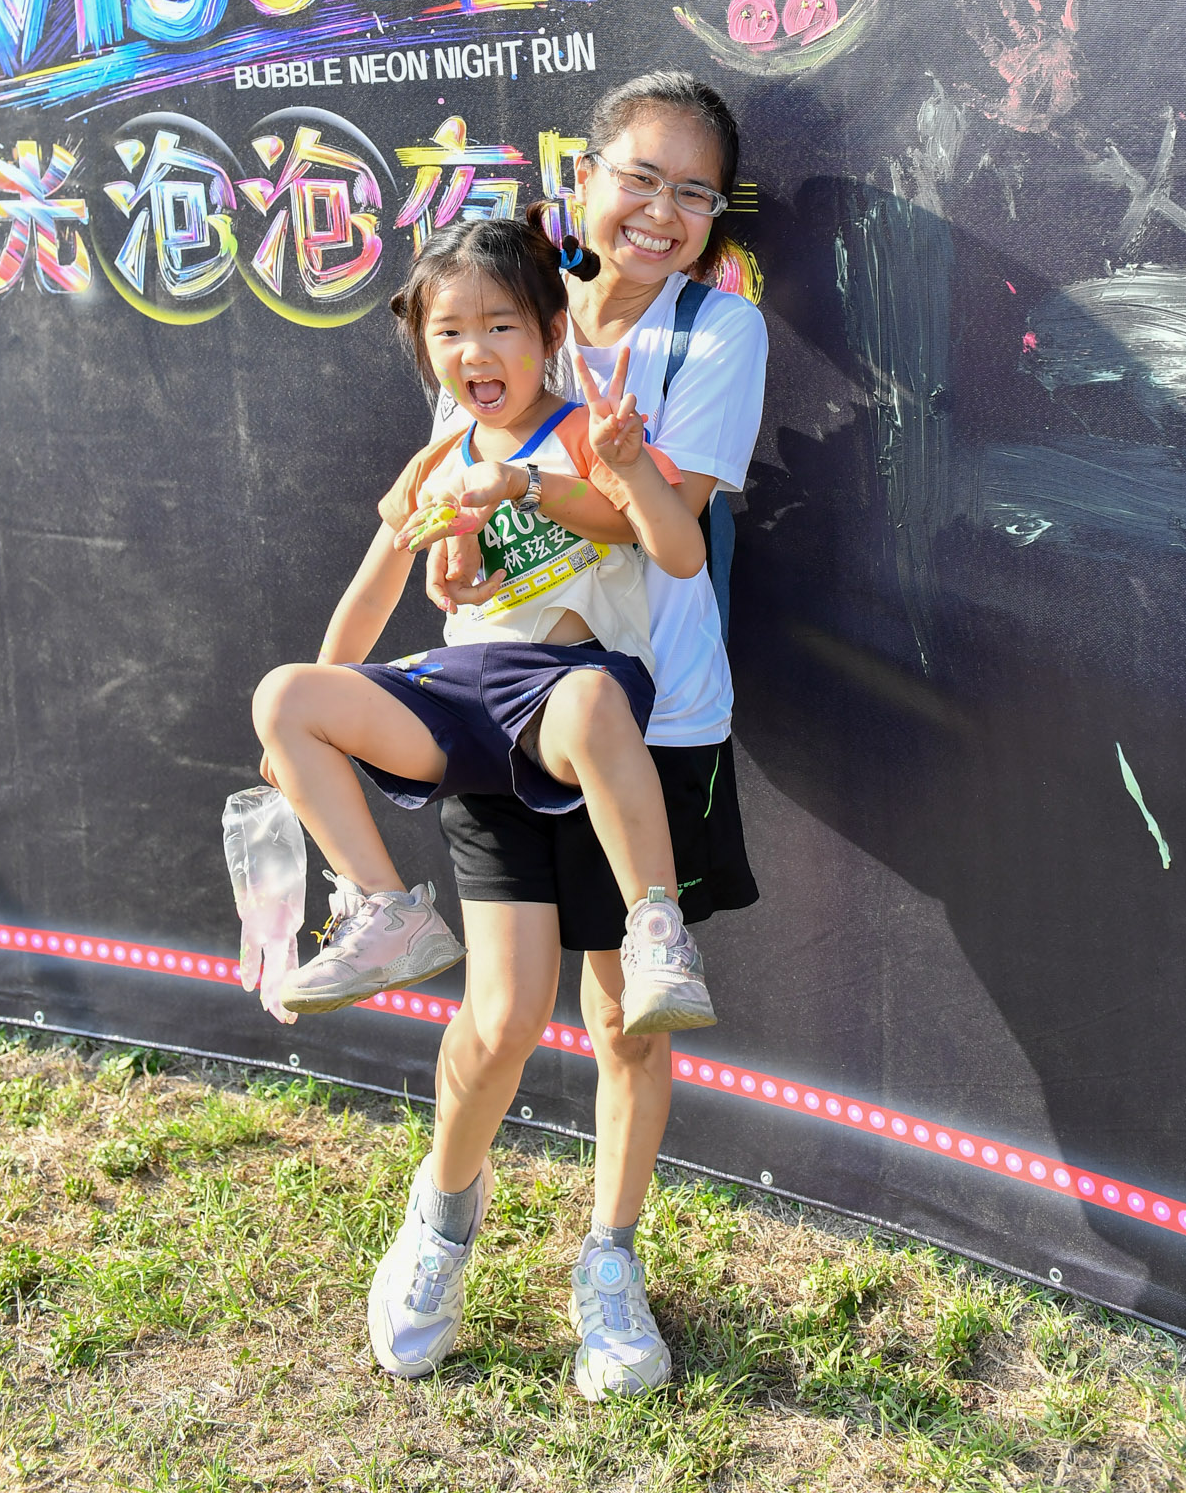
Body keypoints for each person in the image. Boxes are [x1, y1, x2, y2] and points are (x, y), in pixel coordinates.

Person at [397, 70, 767, 1403]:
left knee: (625, 1014)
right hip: (504, 704)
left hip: (657, 718)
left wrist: (555, 474)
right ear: (582, 182)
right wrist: (456, 550)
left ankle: (609, 1261)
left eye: (694, 192)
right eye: (639, 177)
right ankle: (441, 1222)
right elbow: (455, 519)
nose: (662, 211)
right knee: (498, 1018)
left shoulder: (716, 332)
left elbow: (665, 529)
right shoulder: (501, 304)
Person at [251, 214, 720, 1048]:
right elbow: (371, 594)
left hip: (571, 689)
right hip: (464, 697)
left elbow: (680, 555)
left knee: (588, 701)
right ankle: (388, 915)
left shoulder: (587, 434)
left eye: (500, 326)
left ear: (549, 334)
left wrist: (612, 467)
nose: (475, 351)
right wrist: (298, 733)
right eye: (449, 332)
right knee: (285, 695)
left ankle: (655, 933)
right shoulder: (433, 465)